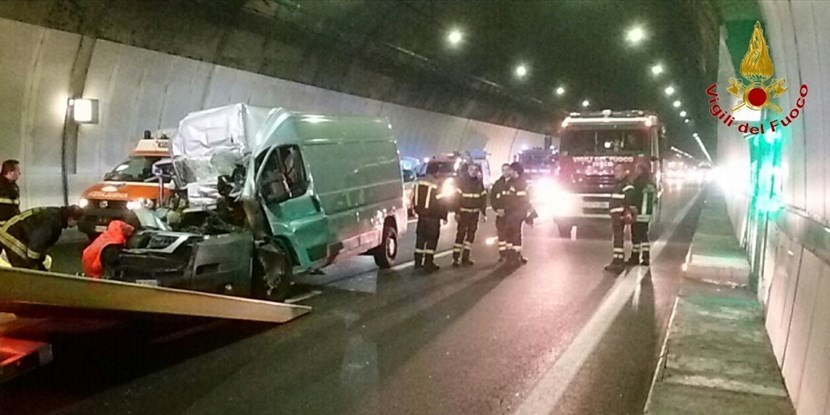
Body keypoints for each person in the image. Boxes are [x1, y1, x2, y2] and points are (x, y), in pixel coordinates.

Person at [0, 206, 85, 271]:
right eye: (76, 222)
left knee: (28, 267)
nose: (76, 225)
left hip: (12, 232)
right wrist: (38, 265)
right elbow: (36, 245)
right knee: (25, 270)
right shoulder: (53, 222)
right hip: (13, 236)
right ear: (71, 218)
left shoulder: (55, 215)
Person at [412, 163, 449, 272]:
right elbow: (442, 202)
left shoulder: (418, 182)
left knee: (420, 239)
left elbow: (414, 197)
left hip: (421, 216)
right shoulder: (437, 184)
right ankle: (429, 263)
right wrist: (444, 216)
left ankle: (418, 262)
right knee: (432, 240)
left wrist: (416, 210)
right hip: (433, 217)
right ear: (436, 172)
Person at [452, 163, 487, 267]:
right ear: (468, 170)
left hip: (474, 213)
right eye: (471, 169)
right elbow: (456, 199)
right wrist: (457, 212)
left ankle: (465, 257)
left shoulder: (479, 184)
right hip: (464, 213)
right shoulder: (462, 182)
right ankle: (455, 258)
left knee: (471, 236)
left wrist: (483, 213)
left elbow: (483, 199)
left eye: (475, 170)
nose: (473, 172)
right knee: (460, 235)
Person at [604, 164, 636, 273]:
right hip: (616, 215)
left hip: (620, 215)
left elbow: (629, 200)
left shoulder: (626, 185)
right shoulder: (618, 184)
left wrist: (626, 212)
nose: (615, 173)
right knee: (617, 238)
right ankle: (617, 260)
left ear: (624, 172)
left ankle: (619, 262)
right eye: (615, 171)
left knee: (618, 238)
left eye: (618, 171)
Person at [628, 162, 657, 266]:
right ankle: (646, 258)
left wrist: (631, 207)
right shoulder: (651, 183)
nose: (635, 170)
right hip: (647, 215)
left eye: (636, 169)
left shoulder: (638, 182)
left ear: (640, 170)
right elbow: (655, 199)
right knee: (644, 236)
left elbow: (634, 197)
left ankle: (634, 258)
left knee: (635, 236)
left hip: (638, 213)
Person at [503, 161, 532, 265]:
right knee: (511, 234)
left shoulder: (520, 183)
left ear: (515, 171)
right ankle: (512, 256)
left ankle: (515, 257)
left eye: (511, 170)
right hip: (512, 212)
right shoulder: (512, 182)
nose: (509, 171)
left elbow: (522, 199)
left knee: (515, 234)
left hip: (516, 212)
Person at [490, 164, 512, 261]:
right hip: (500, 214)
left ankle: (511, 254)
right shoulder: (498, 184)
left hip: (511, 214)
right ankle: (502, 254)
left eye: (507, 170)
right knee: (501, 234)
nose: (505, 172)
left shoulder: (514, 183)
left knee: (511, 234)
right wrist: (497, 209)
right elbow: (492, 198)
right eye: (503, 170)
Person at [0, 159, 21, 226]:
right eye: (17, 170)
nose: (20, 173)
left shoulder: (14, 187)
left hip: (10, 227)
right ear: (10, 172)